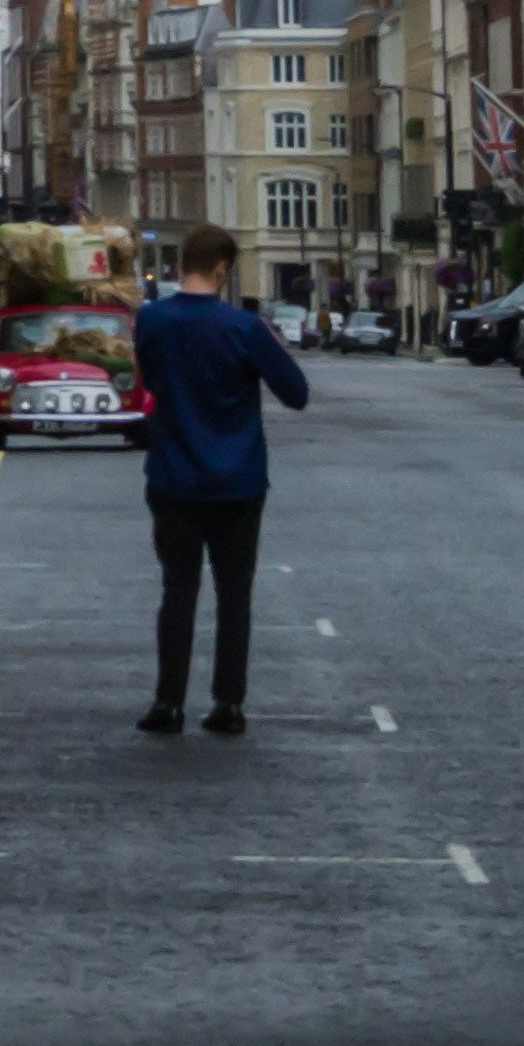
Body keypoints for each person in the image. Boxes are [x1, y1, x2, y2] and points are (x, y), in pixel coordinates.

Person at [133, 222, 311, 739]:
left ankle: (168, 702)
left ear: (182, 263)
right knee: (235, 596)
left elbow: (152, 378)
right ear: (223, 270)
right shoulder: (244, 328)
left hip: (173, 476)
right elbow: (296, 393)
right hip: (238, 482)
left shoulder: (151, 321)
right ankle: (228, 703)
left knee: (178, 590)